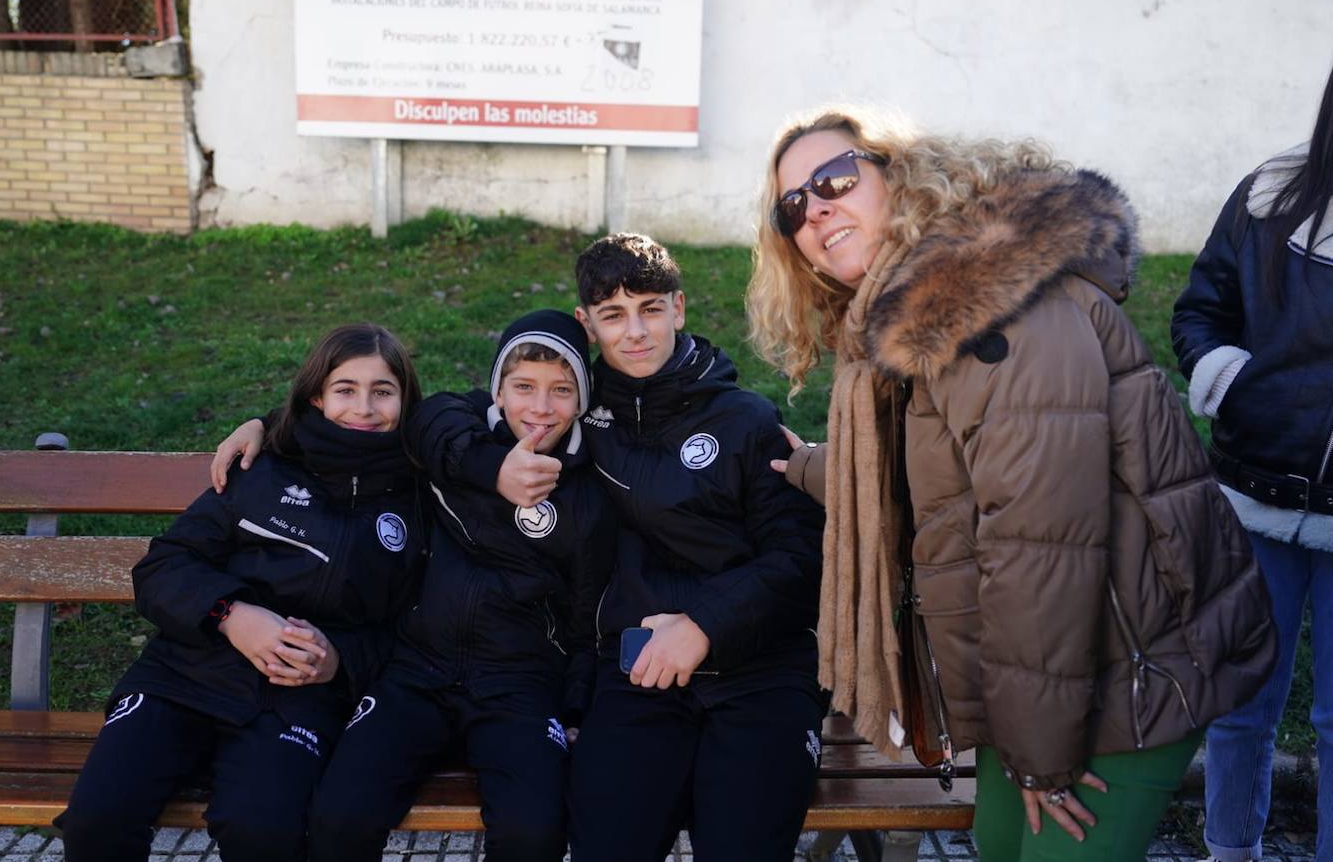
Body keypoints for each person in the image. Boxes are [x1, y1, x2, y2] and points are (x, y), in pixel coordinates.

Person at [747, 105, 1277, 862]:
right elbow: (931, 465)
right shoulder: (928, 314)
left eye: (834, 178)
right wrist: (807, 466)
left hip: (1129, 674)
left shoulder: (998, 321)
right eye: (792, 206)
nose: (816, 208)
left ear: (898, 174)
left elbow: (1039, 551)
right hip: (1041, 680)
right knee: (999, 844)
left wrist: (1039, 755)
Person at [211, 310, 615, 862]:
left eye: (562, 391)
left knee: (533, 832)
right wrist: (264, 421)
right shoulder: (451, 432)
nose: (540, 407)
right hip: (414, 672)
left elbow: (591, 616)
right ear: (497, 388)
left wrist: (574, 710)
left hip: (519, 683)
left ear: (582, 398)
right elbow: (378, 423)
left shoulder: (589, 494)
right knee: (338, 819)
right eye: (523, 387)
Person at [55, 323, 425, 862]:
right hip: (185, 676)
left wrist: (339, 663)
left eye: (383, 391)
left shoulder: (421, 493)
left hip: (297, 696)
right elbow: (164, 566)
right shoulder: (260, 468)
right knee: (97, 821)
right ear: (317, 396)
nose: (364, 407)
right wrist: (231, 614)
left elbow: (412, 624)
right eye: (345, 389)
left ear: (406, 401)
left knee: (263, 830)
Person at [548, 234, 826, 862]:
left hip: (761, 673)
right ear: (587, 325)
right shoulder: (571, 419)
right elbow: (457, 419)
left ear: (678, 308)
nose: (636, 332)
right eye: (613, 315)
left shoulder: (747, 419)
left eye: (649, 308)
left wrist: (705, 624)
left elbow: (800, 559)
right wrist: (266, 428)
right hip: (639, 672)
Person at [1171, 63, 1333, 862]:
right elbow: (1201, 307)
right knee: (1242, 704)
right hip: (1255, 496)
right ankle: (1229, 853)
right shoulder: (1271, 192)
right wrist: (1227, 379)